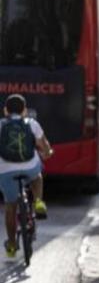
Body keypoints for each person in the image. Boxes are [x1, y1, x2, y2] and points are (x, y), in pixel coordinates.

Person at [0, 94, 52, 256]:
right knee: (37, 176)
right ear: (24, 111)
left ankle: (12, 246)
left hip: (5, 170)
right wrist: (48, 153)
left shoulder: (0, 125)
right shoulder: (32, 124)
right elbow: (43, 146)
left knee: (10, 207)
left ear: (5, 110)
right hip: (29, 167)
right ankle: (38, 201)